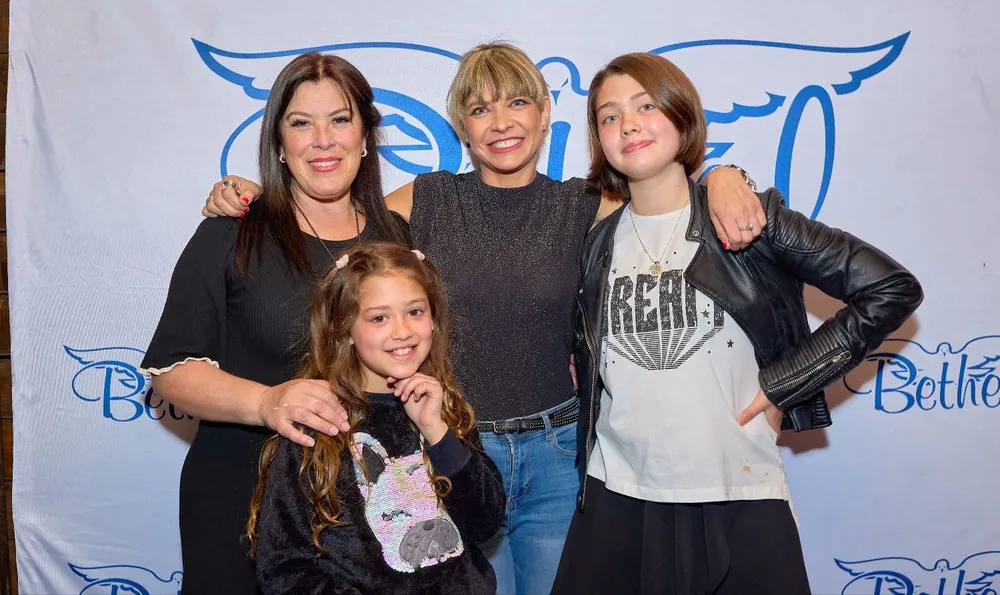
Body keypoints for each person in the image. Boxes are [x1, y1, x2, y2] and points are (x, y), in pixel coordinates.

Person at [204, 42, 764, 595]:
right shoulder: (426, 199)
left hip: (557, 455)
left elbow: (668, 206)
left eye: (517, 103)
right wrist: (258, 197)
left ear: (544, 116)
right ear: (461, 128)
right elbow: (334, 224)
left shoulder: (582, 205)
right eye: (479, 109)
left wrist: (723, 176)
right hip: (449, 453)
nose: (500, 123)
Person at [552, 52, 923, 595]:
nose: (627, 123)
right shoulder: (598, 242)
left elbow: (891, 288)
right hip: (616, 498)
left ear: (682, 117)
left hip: (736, 494)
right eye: (609, 116)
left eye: (646, 105)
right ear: (599, 140)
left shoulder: (745, 217)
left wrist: (785, 382)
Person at [140, 52, 410, 594]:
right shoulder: (230, 234)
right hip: (243, 493)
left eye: (340, 119)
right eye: (300, 123)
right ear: (280, 144)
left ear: (365, 136)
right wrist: (266, 402)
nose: (323, 140)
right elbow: (171, 372)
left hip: (376, 495)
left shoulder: (397, 240)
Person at [248, 242, 505, 595]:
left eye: (415, 311)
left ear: (434, 318)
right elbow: (284, 567)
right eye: (379, 318)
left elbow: (485, 522)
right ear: (344, 330)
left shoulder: (445, 409)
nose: (402, 331)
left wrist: (437, 432)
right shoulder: (317, 422)